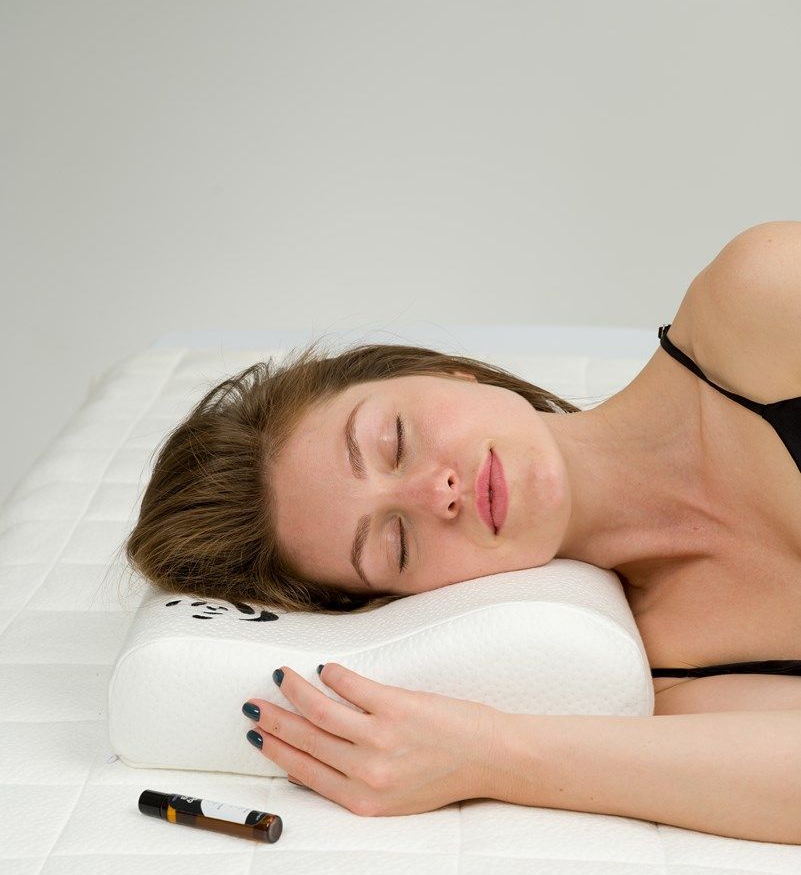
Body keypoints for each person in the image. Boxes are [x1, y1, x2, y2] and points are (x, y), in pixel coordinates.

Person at [116, 221, 801, 841]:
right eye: (394, 543)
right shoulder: (668, 676)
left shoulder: (755, 303)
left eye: (393, 440)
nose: (433, 494)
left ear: (445, 372)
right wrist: (486, 754)